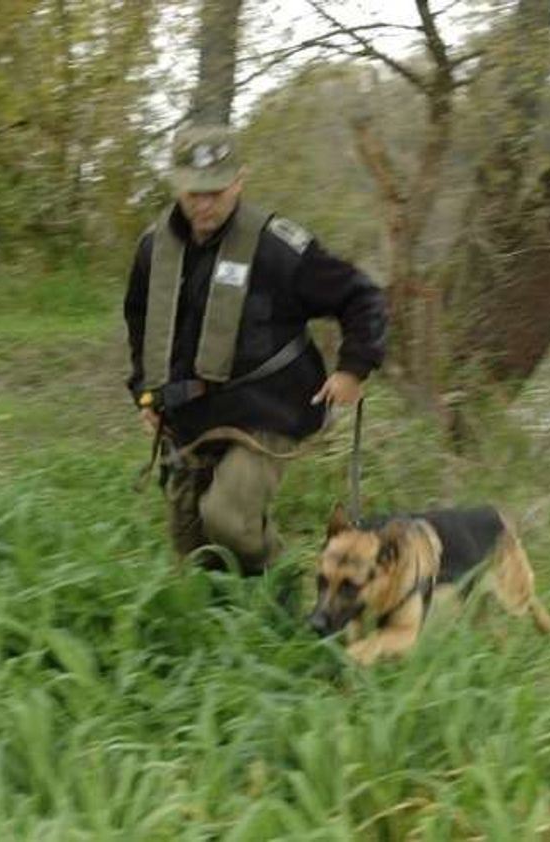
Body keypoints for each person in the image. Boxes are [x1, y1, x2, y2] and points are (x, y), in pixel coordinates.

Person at [123, 123, 387, 574]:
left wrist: (352, 369)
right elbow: (140, 322)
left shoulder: (277, 247)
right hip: (189, 415)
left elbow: (362, 297)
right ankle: (225, 618)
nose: (204, 204)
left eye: (217, 192)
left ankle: (280, 588)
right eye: (193, 193)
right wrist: (145, 393)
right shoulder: (154, 248)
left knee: (227, 520)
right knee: (192, 546)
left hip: (269, 409)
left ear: (239, 182)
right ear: (176, 185)